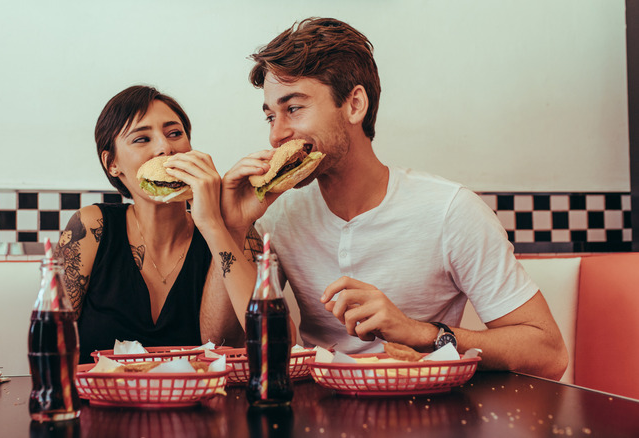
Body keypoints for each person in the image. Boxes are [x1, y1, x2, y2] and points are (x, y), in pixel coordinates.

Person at [221, 18, 568, 379]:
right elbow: (246, 341)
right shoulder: (279, 215)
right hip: (315, 411)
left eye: (293, 109)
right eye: (270, 117)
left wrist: (421, 332)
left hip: (425, 412)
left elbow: (549, 352)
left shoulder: (451, 211)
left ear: (354, 105)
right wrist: (230, 227)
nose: (277, 135)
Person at [56, 85, 256, 363]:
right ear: (112, 163)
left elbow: (232, 344)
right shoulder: (90, 226)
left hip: (202, 401)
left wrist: (216, 225)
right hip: (100, 400)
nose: (165, 148)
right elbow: (51, 339)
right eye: (141, 139)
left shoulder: (230, 228)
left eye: (175, 133)